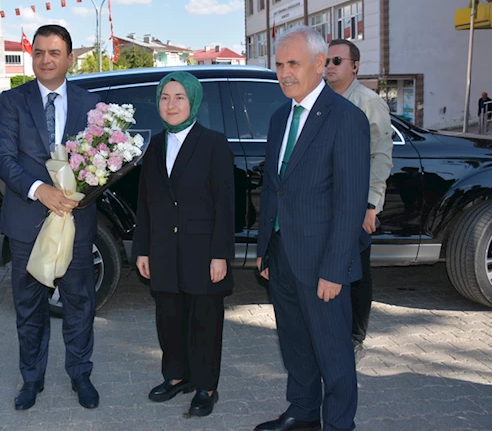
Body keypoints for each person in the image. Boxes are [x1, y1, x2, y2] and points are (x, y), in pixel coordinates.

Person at [254, 27, 369, 431]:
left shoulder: (346, 119)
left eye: (293, 64)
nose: (284, 73)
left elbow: (350, 202)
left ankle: (338, 424)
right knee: (295, 343)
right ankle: (302, 413)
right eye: (280, 65)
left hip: (323, 261)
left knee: (333, 351)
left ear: (320, 64)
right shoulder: (279, 117)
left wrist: (335, 268)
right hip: (282, 254)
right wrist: (265, 250)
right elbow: (273, 187)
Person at [0, 24, 101, 411]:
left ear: (69, 58)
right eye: (38, 52)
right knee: (29, 307)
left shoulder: (92, 104)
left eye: (54, 52)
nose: (45, 59)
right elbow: (2, 159)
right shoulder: (12, 102)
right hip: (26, 223)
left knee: (79, 303)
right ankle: (31, 380)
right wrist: (42, 189)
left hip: (76, 222)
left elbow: (101, 165)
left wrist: (80, 193)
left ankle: (80, 374)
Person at [132, 71, 236, 418]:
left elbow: (225, 203)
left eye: (179, 97)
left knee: (204, 322)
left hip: (202, 251)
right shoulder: (155, 145)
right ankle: (177, 377)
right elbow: (145, 202)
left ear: (193, 102)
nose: (171, 104)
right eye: (164, 97)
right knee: (169, 318)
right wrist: (142, 248)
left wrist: (220, 254)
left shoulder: (213, 143)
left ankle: (205, 386)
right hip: (163, 250)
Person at [324, 39, 392, 362]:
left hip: (356, 205)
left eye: (337, 60)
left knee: (356, 272)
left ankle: (355, 337)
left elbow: (381, 156)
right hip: (324, 204)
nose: (330, 66)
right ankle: (332, 332)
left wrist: (370, 205)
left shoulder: (369, 103)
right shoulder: (317, 101)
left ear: (355, 66)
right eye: (326, 60)